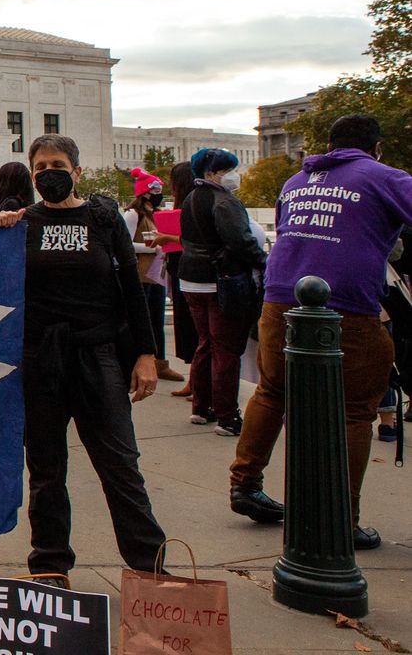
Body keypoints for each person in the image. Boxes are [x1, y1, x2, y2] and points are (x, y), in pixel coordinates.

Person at [229, 116, 412, 549]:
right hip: (345, 304)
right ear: (376, 148)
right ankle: (340, 518)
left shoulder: (296, 181)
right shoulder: (384, 176)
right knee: (355, 410)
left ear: (329, 146)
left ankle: (245, 483)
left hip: (279, 297)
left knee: (272, 390)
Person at [0, 134, 166, 579]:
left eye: (58, 165)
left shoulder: (103, 219)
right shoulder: (22, 224)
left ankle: (150, 569)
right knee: (46, 471)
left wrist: (146, 353)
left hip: (97, 356)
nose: (49, 173)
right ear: (32, 175)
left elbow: (132, 290)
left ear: (77, 171)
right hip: (40, 359)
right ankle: (50, 565)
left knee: (120, 465)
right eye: (41, 168)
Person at [177, 147, 266, 437]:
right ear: (211, 173)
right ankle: (228, 416)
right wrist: (265, 262)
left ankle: (202, 407)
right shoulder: (225, 201)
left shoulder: (191, 198)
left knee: (205, 343)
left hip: (191, 279)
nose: (232, 175)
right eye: (226, 170)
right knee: (226, 348)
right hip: (221, 281)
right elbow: (241, 242)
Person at [123, 169, 186, 383]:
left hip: (157, 273)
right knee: (142, 319)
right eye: (155, 191)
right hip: (141, 273)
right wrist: (151, 247)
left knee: (157, 319)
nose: (159, 194)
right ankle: (136, 360)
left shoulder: (157, 214)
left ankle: (160, 362)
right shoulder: (133, 214)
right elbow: (125, 244)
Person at [158, 162, 199, 398]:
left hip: (191, 276)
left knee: (194, 329)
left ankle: (199, 383)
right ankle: (195, 380)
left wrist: (167, 237)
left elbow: (193, 241)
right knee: (188, 328)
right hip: (180, 274)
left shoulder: (193, 206)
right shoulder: (184, 206)